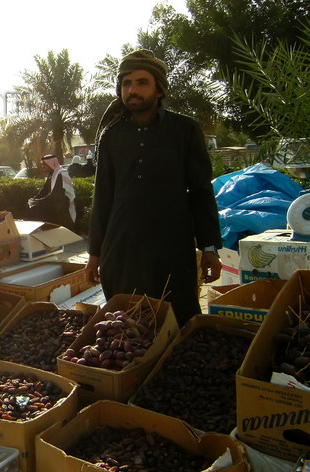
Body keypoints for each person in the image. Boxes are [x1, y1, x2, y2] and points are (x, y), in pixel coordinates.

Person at [84, 49, 222, 327]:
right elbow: (103, 198)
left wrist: (209, 248)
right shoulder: (111, 135)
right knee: (126, 326)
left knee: (177, 321)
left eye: (141, 82)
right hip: (122, 250)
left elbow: (200, 193)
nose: (132, 90)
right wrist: (94, 255)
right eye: (126, 83)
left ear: (159, 89)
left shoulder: (184, 130)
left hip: (171, 249)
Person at [27, 154, 77, 230]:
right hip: (53, 203)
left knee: (36, 211)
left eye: (44, 165)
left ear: (51, 164)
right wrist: (35, 199)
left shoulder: (60, 174)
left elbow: (55, 195)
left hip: (60, 207)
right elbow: (44, 190)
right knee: (32, 210)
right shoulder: (52, 174)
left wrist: (39, 202)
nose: (43, 167)